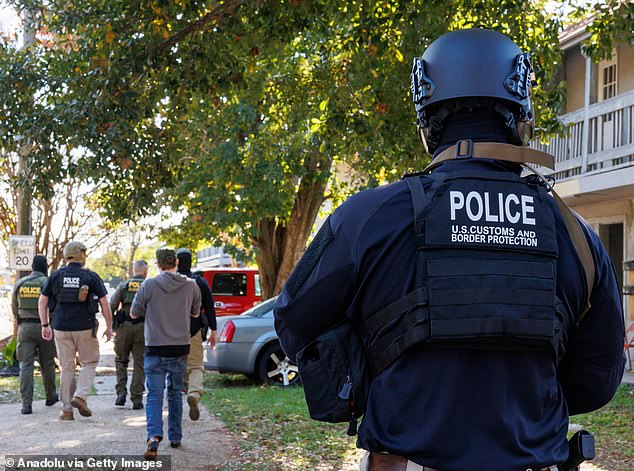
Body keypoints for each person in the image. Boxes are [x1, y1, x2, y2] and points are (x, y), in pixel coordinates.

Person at [274, 29, 626, 471]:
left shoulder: (369, 217)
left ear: (427, 124)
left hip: (400, 461)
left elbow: (294, 322)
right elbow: (599, 376)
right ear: (521, 117)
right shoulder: (576, 235)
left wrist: (381, 375)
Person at [130, 247, 201, 460]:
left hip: (155, 348)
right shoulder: (192, 286)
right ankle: (176, 436)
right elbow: (196, 312)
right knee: (175, 391)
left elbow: (134, 313)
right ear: (176, 262)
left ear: (158, 264)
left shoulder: (148, 285)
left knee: (154, 394)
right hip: (180, 347)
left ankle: (153, 436)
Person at [39, 241, 113, 420]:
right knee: (89, 362)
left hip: (61, 327)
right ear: (81, 255)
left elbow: (42, 301)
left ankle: (66, 410)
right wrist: (109, 327)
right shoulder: (90, 276)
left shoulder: (56, 276)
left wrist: (45, 325)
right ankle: (80, 396)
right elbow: (104, 303)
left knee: (67, 367)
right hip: (84, 327)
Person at [12, 255, 58, 414]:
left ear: (32, 266)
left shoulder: (20, 284)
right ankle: (51, 396)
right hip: (44, 327)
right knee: (48, 363)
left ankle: (26, 405)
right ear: (45, 267)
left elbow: (14, 308)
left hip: (25, 327)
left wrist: (21, 322)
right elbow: (53, 306)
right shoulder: (47, 282)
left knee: (25, 365)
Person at [176, 248, 217, 421]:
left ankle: (175, 395)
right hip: (193, 330)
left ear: (176, 262)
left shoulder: (170, 281)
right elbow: (209, 306)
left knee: (175, 365)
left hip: (170, 331)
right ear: (191, 262)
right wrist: (214, 330)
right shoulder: (199, 281)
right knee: (195, 366)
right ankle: (193, 392)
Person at [110, 260, 148, 409]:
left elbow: (112, 305)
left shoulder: (124, 285)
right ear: (145, 271)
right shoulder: (149, 285)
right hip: (143, 328)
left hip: (124, 327)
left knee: (121, 360)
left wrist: (112, 325)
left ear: (133, 271)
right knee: (140, 363)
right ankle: (137, 399)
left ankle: (121, 392)